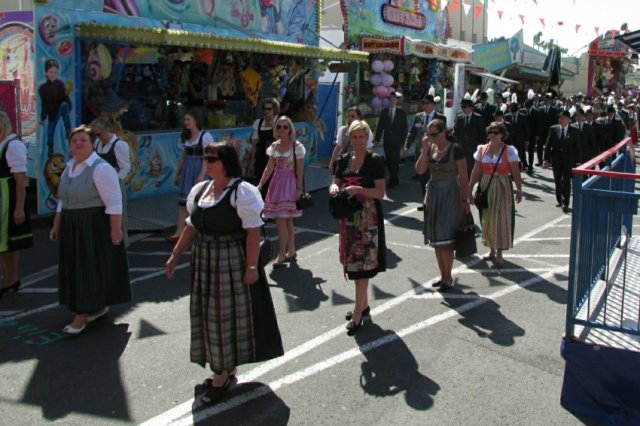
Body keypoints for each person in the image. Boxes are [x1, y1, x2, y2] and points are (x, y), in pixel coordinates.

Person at [165, 143, 282, 405]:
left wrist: (251, 267)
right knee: (207, 315)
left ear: (226, 163)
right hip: (204, 261)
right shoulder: (201, 190)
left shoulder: (241, 192)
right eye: (205, 158)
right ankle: (225, 368)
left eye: (212, 159)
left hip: (229, 261)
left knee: (221, 318)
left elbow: (252, 232)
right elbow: (192, 226)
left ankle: (220, 377)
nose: (206, 163)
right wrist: (175, 254)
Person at [49, 125, 130, 334]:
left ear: (93, 144)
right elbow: (63, 200)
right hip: (71, 224)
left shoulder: (101, 168)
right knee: (76, 267)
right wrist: (57, 224)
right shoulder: (69, 167)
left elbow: (114, 202)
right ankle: (97, 307)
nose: (78, 144)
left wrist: (115, 229)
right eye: (74, 140)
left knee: (86, 269)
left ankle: (81, 315)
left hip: (92, 225)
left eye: (83, 140)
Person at [329, 120, 386, 334]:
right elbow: (336, 180)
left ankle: (357, 313)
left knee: (363, 264)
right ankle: (363, 305)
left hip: (367, 216)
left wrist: (359, 189)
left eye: (361, 137)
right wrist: (334, 188)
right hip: (348, 216)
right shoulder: (344, 158)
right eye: (354, 137)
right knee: (354, 263)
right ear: (349, 138)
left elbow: (380, 192)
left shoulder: (375, 160)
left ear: (367, 138)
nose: (358, 140)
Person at [415, 119, 470, 291]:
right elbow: (420, 170)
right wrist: (425, 150)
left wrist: (465, 200)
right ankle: (442, 274)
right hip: (433, 195)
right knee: (436, 239)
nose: (430, 137)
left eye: (434, 134)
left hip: (450, 195)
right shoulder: (430, 148)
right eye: (428, 134)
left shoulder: (456, 150)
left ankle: (448, 277)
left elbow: (464, 177)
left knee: (446, 238)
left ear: (444, 132)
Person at [469, 122, 523, 267]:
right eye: (490, 132)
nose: (492, 135)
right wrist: (469, 189)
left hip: (502, 186)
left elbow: (515, 171)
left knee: (501, 218)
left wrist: (519, 189)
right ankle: (491, 249)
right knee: (487, 217)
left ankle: (499, 253)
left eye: (496, 132)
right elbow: (476, 170)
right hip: (485, 185)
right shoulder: (482, 149)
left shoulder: (509, 150)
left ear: (503, 135)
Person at [257, 116, 305, 267]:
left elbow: (300, 169)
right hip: (276, 183)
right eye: (279, 127)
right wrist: (260, 184)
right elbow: (269, 167)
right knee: (286, 219)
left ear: (290, 129)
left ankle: (282, 253)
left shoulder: (296, 146)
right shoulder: (274, 146)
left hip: (289, 183)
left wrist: (298, 188)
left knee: (282, 219)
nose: (282, 130)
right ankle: (291, 251)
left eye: (285, 127)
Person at [167, 110, 214, 242]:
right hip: (187, 170)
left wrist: (202, 174)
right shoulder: (186, 137)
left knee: (200, 203)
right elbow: (183, 157)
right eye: (185, 120)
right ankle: (178, 233)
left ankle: (203, 231)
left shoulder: (205, 136)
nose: (186, 122)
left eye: (188, 119)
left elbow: (206, 157)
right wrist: (177, 174)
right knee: (183, 204)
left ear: (196, 120)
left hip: (198, 169)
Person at [0, 111, 33, 297]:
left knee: (7, 241)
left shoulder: (12, 145)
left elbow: (20, 180)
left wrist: (19, 207)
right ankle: (9, 279)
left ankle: (9, 279)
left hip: (7, 197)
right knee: (5, 243)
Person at [403, 94, 447, 210]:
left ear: (433, 104)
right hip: (421, 151)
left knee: (436, 176)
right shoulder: (418, 117)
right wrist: (407, 145)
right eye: (423, 103)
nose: (425, 106)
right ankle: (425, 201)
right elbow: (412, 132)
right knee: (423, 177)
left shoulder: (440, 118)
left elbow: (444, 134)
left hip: (436, 151)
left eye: (427, 103)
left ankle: (437, 201)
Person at [90, 118, 131, 241]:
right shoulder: (97, 143)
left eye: (99, 134)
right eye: (94, 135)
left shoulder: (119, 145)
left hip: (115, 183)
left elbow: (125, 167)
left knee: (118, 215)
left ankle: (121, 243)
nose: (97, 137)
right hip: (99, 184)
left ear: (107, 130)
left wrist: (114, 181)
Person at [544, 111, 581, 213]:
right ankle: (559, 199)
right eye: (560, 118)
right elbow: (548, 145)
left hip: (569, 161)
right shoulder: (553, 129)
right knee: (557, 180)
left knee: (566, 181)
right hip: (556, 159)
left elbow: (577, 147)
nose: (561, 120)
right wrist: (546, 159)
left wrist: (578, 162)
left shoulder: (574, 131)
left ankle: (566, 202)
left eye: (563, 118)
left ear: (569, 120)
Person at [38, 59, 72, 157]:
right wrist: (43, 118)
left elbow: (65, 98)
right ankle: (50, 148)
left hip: (61, 109)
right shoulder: (43, 88)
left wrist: (69, 106)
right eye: (51, 72)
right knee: (50, 131)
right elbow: (44, 104)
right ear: (46, 73)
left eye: (55, 72)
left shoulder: (60, 84)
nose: (53, 74)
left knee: (64, 105)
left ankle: (68, 129)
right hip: (52, 113)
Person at [374, 91, 407, 188]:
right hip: (387, 141)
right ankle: (394, 178)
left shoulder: (401, 113)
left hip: (397, 141)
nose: (392, 100)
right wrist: (377, 139)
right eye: (390, 99)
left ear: (397, 100)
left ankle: (393, 179)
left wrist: (403, 143)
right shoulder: (384, 112)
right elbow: (380, 127)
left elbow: (404, 129)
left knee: (395, 160)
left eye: (394, 99)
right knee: (388, 160)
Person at [328, 106, 373, 175]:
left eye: (352, 116)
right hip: (345, 165)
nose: (349, 118)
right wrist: (332, 164)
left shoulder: (366, 131)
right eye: (348, 116)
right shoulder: (343, 130)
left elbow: (369, 149)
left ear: (359, 118)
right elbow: (338, 148)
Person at [251, 98, 279, 195]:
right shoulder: (258, 122)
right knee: (260, 180)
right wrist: (252, 161)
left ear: (274, 110)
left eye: (269, 109)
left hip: (274, 157)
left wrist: (273, 126)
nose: (266, 111)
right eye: (265, 108)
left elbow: (280, 139)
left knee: (272, 181)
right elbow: (255, 142)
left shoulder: (279, 121)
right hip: (261, 156)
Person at [454, 98, 486, 177]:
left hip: (474, 146)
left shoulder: (478, 118)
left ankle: (470, 181)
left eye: (465, 107)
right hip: (462, 146)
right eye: (462, 107)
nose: (464, 109)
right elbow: (456, 132)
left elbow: (482, 133)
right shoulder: (459, 117)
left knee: (471, 167)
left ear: (471, 107)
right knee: (462, 167)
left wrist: (481, 146)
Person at [505, 103, 530, 171]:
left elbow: (526, 129)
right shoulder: (507, 116)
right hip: (510, 140)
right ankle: (510, 170)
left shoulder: (523, 116)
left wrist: (527, 140)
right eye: (512, 112)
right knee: (510, 155)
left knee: (518, 155)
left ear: (517, 111)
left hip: (520, 139)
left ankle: (518, 170)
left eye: (514, 112)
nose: (513, 113)